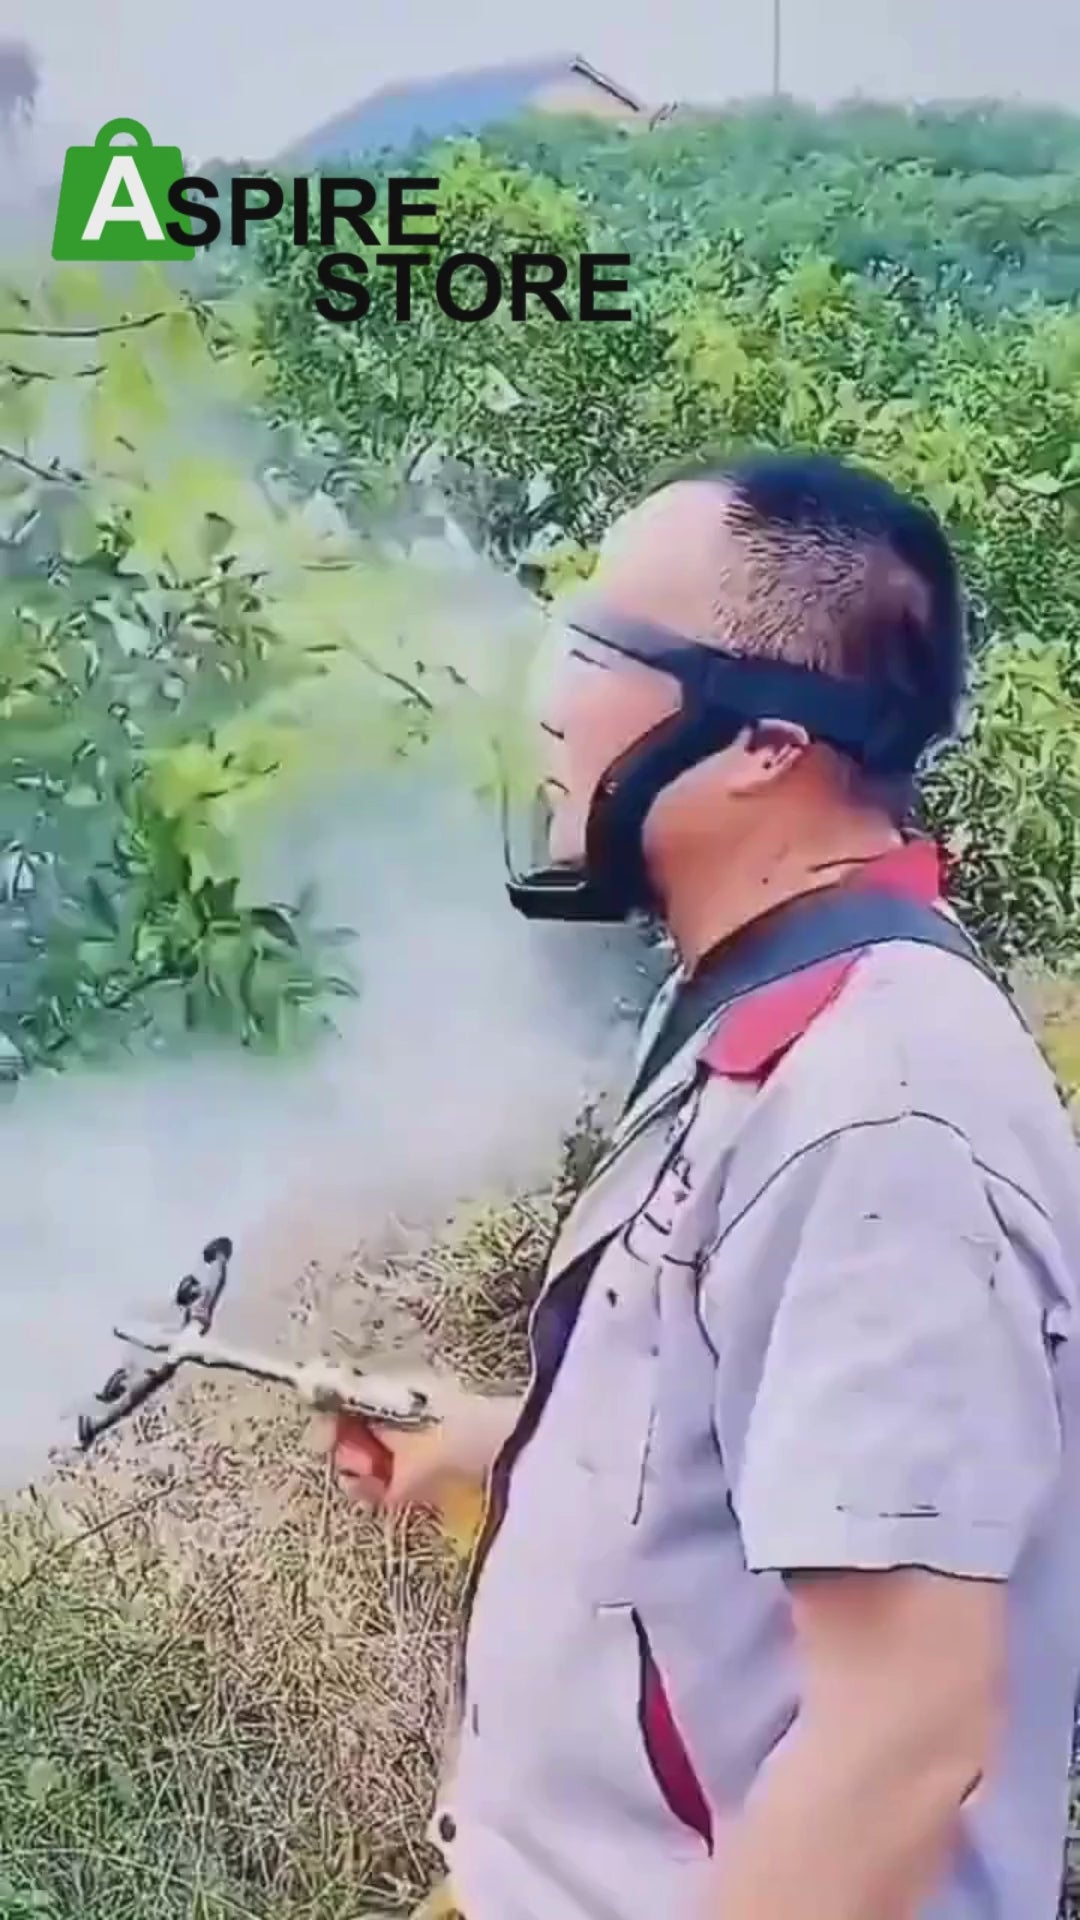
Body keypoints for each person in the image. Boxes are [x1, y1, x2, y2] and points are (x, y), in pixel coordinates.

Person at [331, 451, 1080, 1920]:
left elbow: (899, 1745)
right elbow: (773, 1462)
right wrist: (508, 1449)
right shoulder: (771, 1017)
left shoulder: (881, 1113)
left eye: (606, 651)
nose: (554, 703)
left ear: (766, 746)